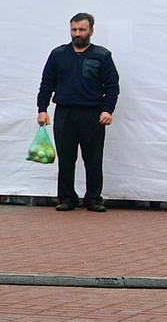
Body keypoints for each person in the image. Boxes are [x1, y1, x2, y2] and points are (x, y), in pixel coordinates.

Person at [37, 13, 120, 212]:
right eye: (74, 29)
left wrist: (107, 109)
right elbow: (47, 83)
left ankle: (93, 198)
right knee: (66, 158)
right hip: (65, 113)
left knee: (93, 159)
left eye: (82, 30)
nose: (77, 34)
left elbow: (112, 86)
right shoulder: (58, 54)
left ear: (91, 31)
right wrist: (42, 109)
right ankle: (67, 198)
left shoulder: (101, 56)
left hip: (92, 114)